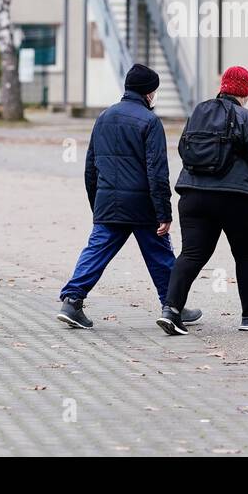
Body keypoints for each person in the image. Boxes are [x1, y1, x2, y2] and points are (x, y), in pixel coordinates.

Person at [57, 63, 202, 330]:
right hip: (142, 205)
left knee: (96, 251)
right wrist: (164, 212)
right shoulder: (150, 122)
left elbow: (91, 167)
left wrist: (97, 206)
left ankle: (72, 301)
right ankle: (173, 306)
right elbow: (157, 171)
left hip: (108, 203)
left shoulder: (104, 117)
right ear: (149, 93)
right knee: (160, 255)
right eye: (155, 91)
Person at [157, 65, 248, 335]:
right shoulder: (247, 118)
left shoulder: (198, 113)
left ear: (223, 87)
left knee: (191, 254)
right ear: (245, 92)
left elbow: (182, 148)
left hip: (193, 194)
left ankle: (171, 310)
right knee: (246, 255)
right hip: (238, 199)